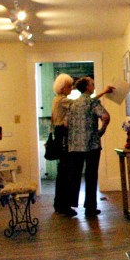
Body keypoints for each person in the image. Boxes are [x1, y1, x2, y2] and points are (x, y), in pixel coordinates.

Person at [66, 77, 113, 217]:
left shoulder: (73, 104)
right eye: (92, 84)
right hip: (91, 144)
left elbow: (66, 123)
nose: (93, 86)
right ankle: (90, 208)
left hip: (74, 146)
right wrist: (102, 129)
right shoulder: (93, 102)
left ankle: (71, 205)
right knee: (91, 175)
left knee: (74, 176)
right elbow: (105, 116)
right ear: (87, 87)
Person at [51, 73, 77, 216]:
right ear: (63, 87)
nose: (71, 89)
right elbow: (82, 104)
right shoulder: (62, 100)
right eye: (69, 86)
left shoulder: (57, 99)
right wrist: (103, 93)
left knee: (62, 172)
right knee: (66, 172)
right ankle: (64, 206)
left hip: (59, 135)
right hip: (63, 137)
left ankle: (59, 204)